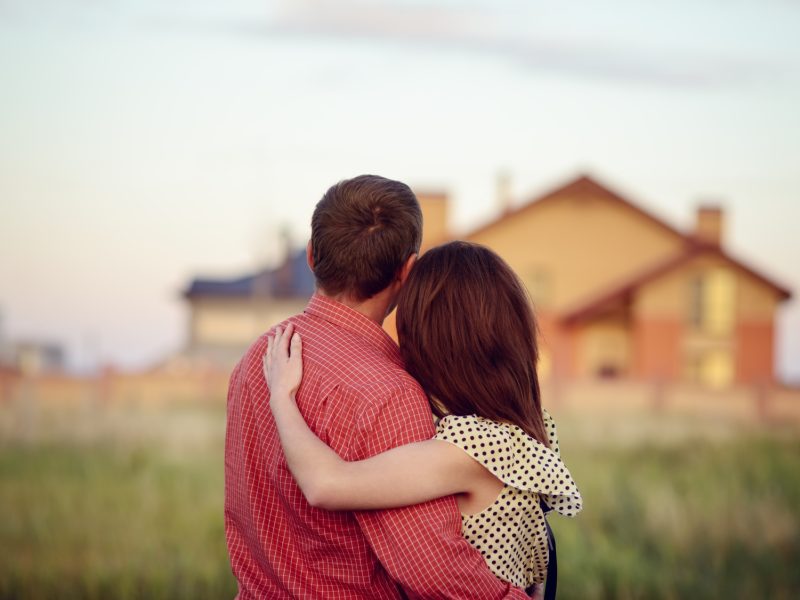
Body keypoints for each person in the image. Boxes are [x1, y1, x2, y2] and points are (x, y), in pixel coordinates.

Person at [225, 176, 529, 598]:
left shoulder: (257, 359)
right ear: (407, 271)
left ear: (312, 256)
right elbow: (430, 568)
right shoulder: (390, 394)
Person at [263, 242, 583, 597]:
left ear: (430, 339)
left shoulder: (468, 449)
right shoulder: (522, 431)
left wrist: (282, 397)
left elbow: (325, 483)